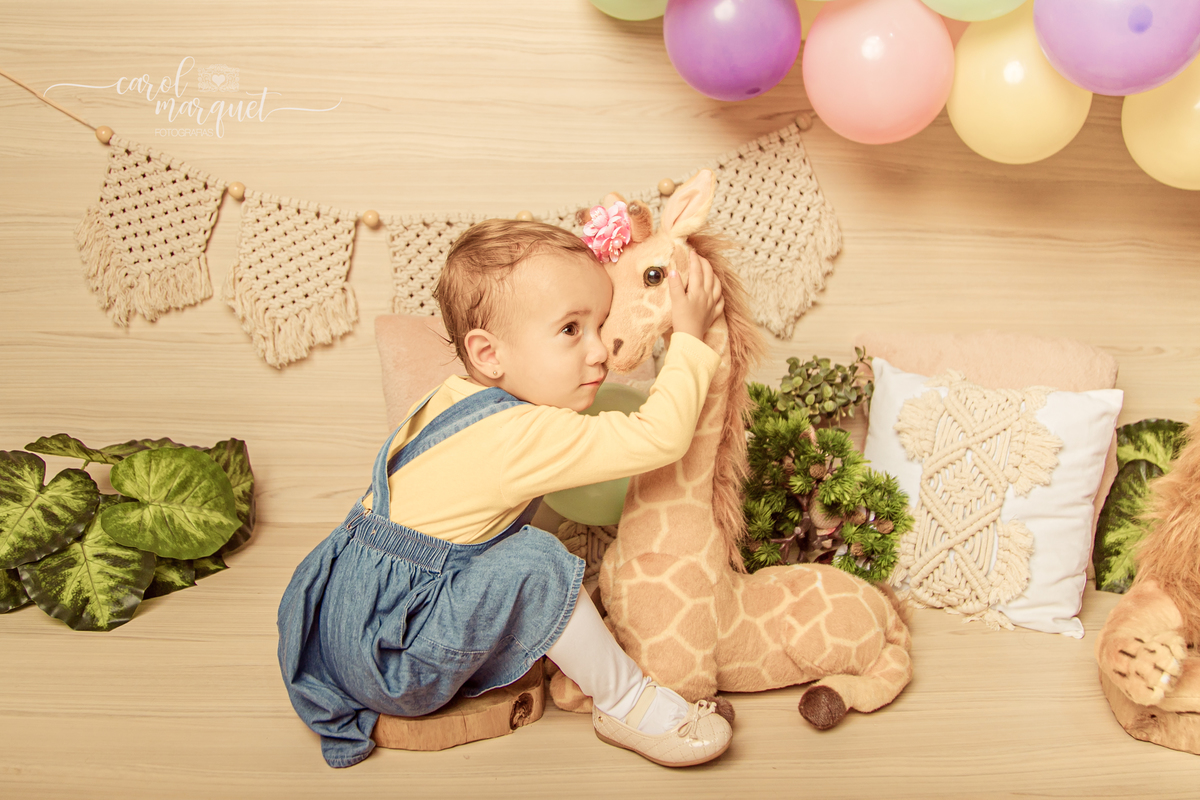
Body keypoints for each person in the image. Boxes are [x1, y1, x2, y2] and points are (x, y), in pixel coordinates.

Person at [278, 218, 729, 769]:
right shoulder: (520, 435)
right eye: (570, 330)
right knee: (536, 560)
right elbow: (661, 436)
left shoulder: (451, 398)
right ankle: (626, 701)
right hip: (395, 665)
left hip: (342, 632)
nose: (599, 352)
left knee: (498, 553)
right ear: (489, 354)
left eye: (600, 324)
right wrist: (689, 338)